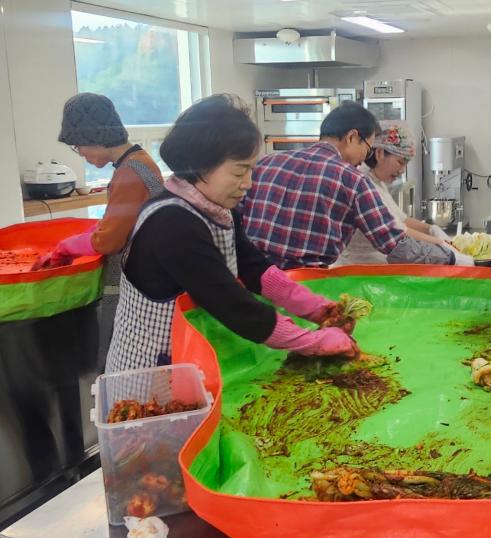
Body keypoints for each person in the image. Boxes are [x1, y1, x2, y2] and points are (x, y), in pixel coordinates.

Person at [105, 95, 358, 373]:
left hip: (193, 361)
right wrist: (311, 341)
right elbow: (231, 304)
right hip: (152, 372)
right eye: (240, 171)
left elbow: (253, 266)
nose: (248, 183)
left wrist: (313, 307)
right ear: (201, 166)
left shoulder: (218, 208)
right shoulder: (171, 223)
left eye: (251, 169)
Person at [239, 102, 472, 268]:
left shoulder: (268, 163)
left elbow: (238, 221)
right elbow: (395, 245)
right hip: (309, 288)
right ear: (352, 137)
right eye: (368, 148)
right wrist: (451, 258)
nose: (366, 157)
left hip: (260, 282)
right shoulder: (351, 180)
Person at [33, 93, 164, 268]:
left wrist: (66, 247)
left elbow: (109, 242)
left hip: (144, 275)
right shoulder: (139, 161)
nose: (80, 153)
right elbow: (116, 221)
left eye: (77, 146)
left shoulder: (129, 174)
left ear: (92, 137)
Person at [335, 120, 451, 265]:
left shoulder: (378, 182)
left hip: (377, 271)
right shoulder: (363, 184)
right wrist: (443, 244)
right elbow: (397, 229)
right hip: (357, 273)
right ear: (379, 153)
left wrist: (431, 229)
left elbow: (402, 219)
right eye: (400, 162)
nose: (402, 170)